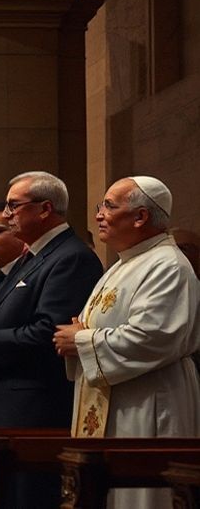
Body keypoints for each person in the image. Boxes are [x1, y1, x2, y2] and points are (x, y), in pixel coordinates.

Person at [0, 171, 103, 507]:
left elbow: (52, 329)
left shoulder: (70, 257)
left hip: (28, 410)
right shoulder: (30, 260)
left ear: (45, 208)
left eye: (13, 206)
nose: (7, 215)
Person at [53, 176, 200, 508]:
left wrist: (82, 340)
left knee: (140, 495)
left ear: (140, 217)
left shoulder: (167, 266)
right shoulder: (122, 266)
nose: (99, 215)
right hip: (117, 399)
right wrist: (81, 338)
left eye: (109, 205)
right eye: (100, 206)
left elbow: (155, 337)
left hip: (148, 402)